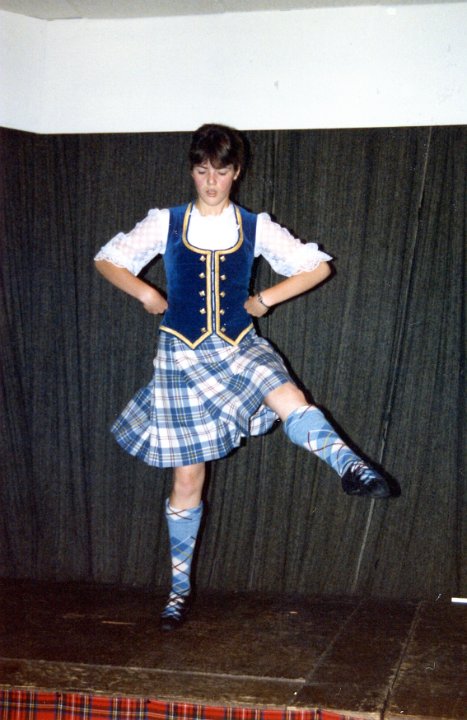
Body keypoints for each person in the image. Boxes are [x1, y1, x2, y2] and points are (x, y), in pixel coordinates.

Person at [94, 123, 395, 631]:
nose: (211, 182)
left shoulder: (255, 226)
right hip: (182, 355)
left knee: (287, 394)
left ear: (237, 173)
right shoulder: (166, 221)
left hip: (238, 344)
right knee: (188, 477)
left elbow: (315, 267)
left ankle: (352, 467)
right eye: (202, 171)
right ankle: (178, 590)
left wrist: (265, 299)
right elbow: (108, 259)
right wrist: (144, 292)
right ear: (193, 171)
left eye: (221, 172)